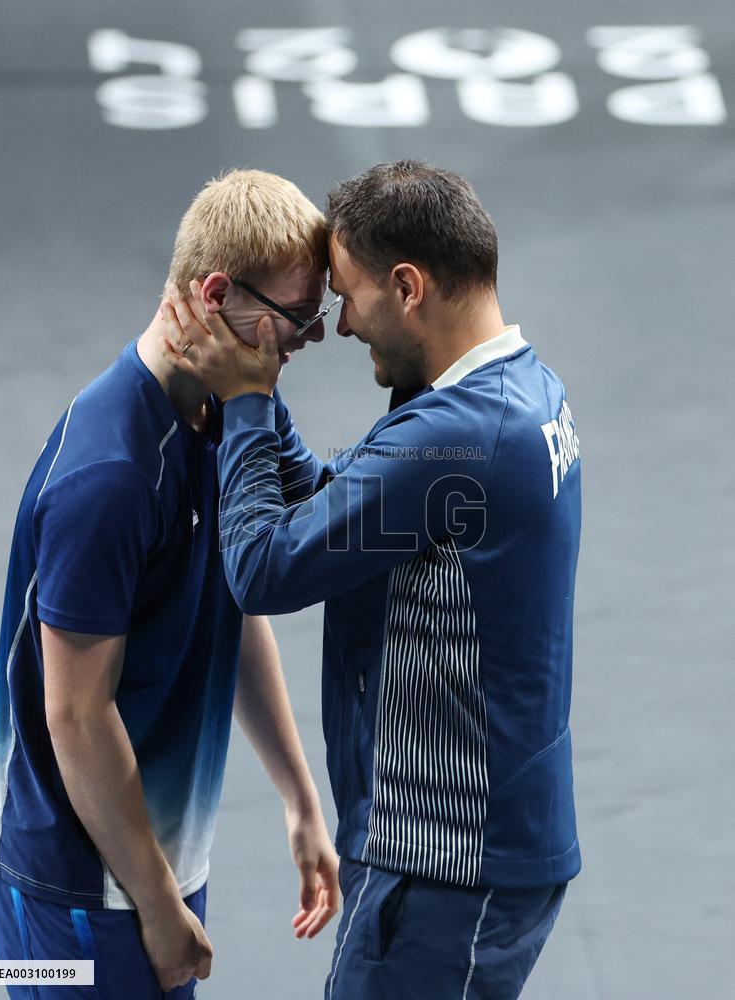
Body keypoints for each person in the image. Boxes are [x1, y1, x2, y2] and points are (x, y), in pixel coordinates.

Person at [160, 159, 582, 1000]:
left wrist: (245, 403)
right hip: (480, 845)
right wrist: (259, 390)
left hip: (443, 862)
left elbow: (264, 566)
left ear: (408, 285)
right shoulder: (518, 394)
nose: (341, 326)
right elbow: (338, 507)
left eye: (348, 296)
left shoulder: (455, 438)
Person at [0, 169, 341, 999]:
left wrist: (298, 796)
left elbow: (234, 598)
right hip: (71, 882)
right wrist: (156, 902)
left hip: (152, 852)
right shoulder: (109, 477)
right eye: (297, 317)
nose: (309, 339)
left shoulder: (236, 407)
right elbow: (74, 713)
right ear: (217, 295)